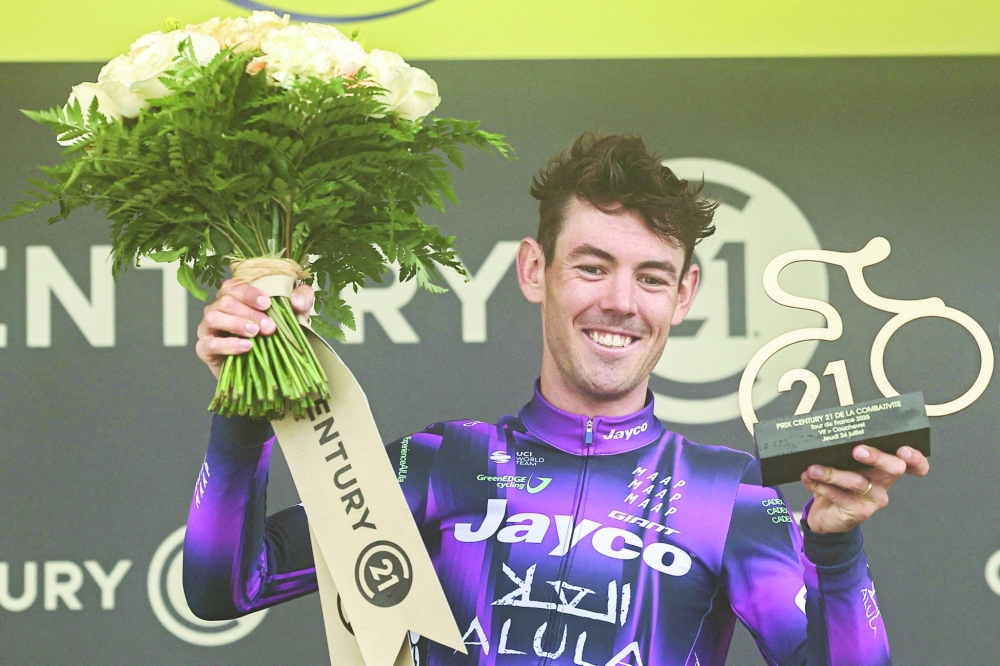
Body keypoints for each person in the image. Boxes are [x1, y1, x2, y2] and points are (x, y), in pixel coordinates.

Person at [183, 133, 928, 665]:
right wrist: (246, 412)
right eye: (592, 266)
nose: (620, 302)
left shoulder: (727, 495)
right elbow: (226, 586)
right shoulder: (442, 464)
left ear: (686, 293)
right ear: (535, 270)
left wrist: (835, 548)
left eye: (651, 277)